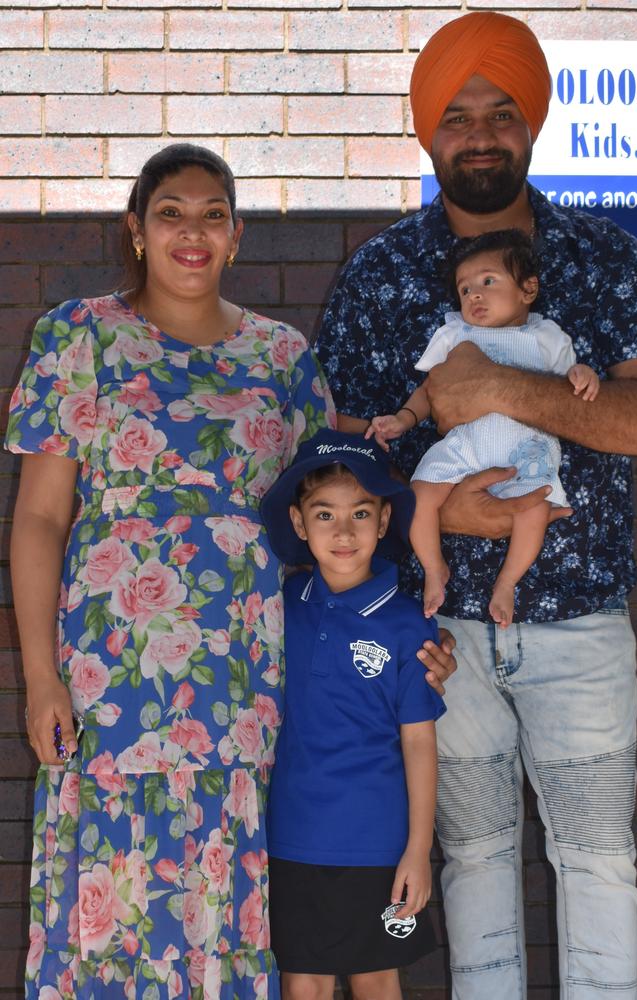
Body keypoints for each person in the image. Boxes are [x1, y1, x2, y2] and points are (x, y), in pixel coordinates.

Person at [316, 11, 637, 999]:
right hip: (440, 633)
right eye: (456, 114)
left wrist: (502, 388)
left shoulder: (601, 260)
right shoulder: (376, 276)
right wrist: (441, 513)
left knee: (597, 863)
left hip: (581, 623)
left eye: (500, 111)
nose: (478, 132)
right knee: (473, 862)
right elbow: (335, 456)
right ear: (426, 131)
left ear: (530, 124)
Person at [7, 143, 339, 999]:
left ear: (235, 237)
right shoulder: (78, 336)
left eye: (212, 214)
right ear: (137, 231)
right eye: (171, 213)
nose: (192, 231)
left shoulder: (283, 357)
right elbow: (42, 517)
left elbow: (332, 528)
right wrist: (41, 677)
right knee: (114, 885)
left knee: (238, 882)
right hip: (112, 672)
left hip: (247, 672)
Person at [259, 429, 445, 1000]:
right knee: (303, 980)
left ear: (385, 520)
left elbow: (419, 744)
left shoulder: (410, 625)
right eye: (324, 514)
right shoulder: (278, 607)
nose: (343, 531)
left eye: (361, 513)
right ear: (298, 523)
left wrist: (418, 847)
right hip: (291, 837)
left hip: (378, 844)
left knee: (375, 979)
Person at [366, 229, 599, 627]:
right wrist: (403, 419)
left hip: (524, 447)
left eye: (488, 281)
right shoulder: (455, 334)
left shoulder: (546, 336)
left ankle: (507, 582)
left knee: (533, 508)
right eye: (465, 288)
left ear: (528, 289)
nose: (474, 294)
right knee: (421, 494)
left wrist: (583, 373)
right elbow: (430, 390)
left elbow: (568, 380)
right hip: (467, 445)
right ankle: (434, 566)